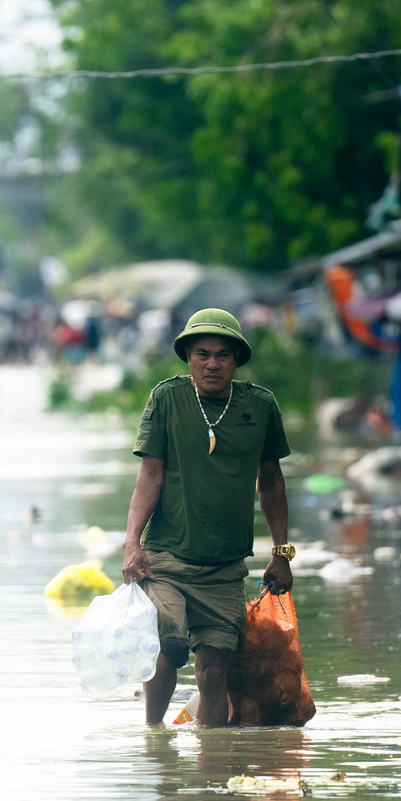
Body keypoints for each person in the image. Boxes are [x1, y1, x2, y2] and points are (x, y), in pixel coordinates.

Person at [122, 308, 295, 728]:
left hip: (224, 567)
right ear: (188, 357)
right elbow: (151, 472)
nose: (212, 363)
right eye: (202, 354)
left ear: (236, 360)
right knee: (170, 641)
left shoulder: (260, 406)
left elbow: (270, 481)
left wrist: (281, 552)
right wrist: (132, 543)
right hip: (166, 558)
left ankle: (211, 775)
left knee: (214, 673)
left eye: (222, 355)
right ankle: (154, 740)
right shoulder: (167, 398)